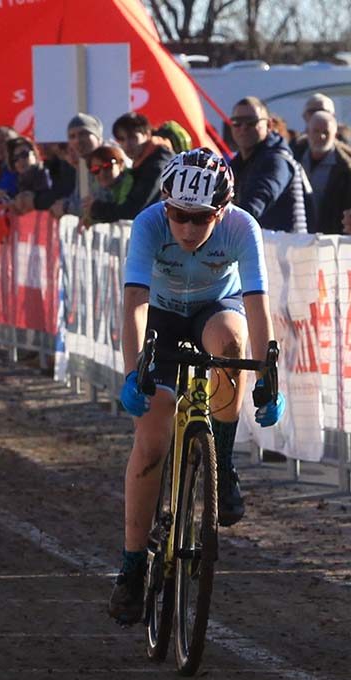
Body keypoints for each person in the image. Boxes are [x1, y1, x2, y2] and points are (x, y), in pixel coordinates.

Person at [107, 149, 286, 625]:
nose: (187, 229)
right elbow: (134, 304)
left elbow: (257, 307)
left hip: (214, 308)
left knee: (230, 343)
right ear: (166, 208)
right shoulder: (148, 224)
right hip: (161, 314)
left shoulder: (242, 228)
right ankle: (130, 565)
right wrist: (133, 372)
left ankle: (221, 463)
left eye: (200, 219)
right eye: (180, 217)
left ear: (221, 212)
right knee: (150, 443)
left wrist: (267, 380)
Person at [228, 96, 309, 234]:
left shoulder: (277, 160)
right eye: (237, 122)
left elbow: (256, 202)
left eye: (251, 122)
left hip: (285, 250)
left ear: (269, 125)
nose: (243, 128)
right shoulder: (237, 163)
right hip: (260, 244)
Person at [85, 113, 172, 223]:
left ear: (147, 134)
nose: (127, 144)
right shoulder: (145, 163)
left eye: (132, 137)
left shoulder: (157, 166)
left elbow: (134, 210)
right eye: (121, 139)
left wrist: (96, 208)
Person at [295, 110, 351, 235]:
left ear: (335, 135)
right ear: (308, 132)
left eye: (326, 132)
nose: (321, 137)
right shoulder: (293, 159)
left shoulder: (345, 170)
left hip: (330, 240)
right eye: (316, 131)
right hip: (297, 238)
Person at [50, 113, 105, 217]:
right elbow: (79, 197)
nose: (78, 141)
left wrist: (66, 207)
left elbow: (100, 202)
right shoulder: (85, 164)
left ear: (98, 137)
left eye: (83, 134)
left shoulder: (107, 160)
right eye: (72, 136)